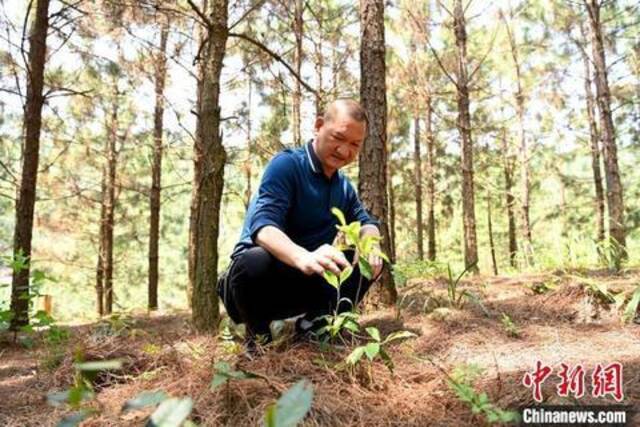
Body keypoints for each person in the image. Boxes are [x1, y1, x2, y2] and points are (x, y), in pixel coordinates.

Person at [218, 99, 384, 349]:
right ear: (319, 126)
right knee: (254, 259)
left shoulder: (343, 187)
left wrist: (370, 244)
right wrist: (302, 256)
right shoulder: (287, 165)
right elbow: (263, 228)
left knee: (362, 259)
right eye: (338, 137)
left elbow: (366, 221)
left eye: (354, 145)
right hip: (250, 285)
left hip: (303, 282)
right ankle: (258, 337)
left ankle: (316, 325)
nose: (344, 150)